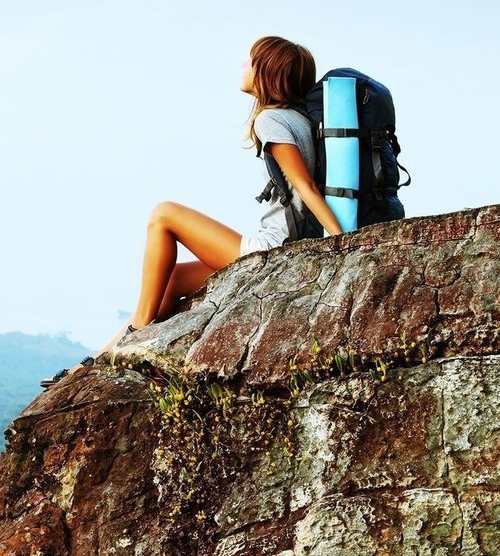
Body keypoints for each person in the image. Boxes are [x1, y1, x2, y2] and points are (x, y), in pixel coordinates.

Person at [48, 36, 345, 385]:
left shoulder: (272, 121)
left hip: (270, 250)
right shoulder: (300, 119)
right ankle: (93, 364)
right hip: (285, 247)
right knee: (171, 280)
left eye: (250, 61)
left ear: (267, 71)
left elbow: (305, 188)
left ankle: (139, 327)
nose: (243, 67)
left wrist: (342, 244)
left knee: (163, 213)